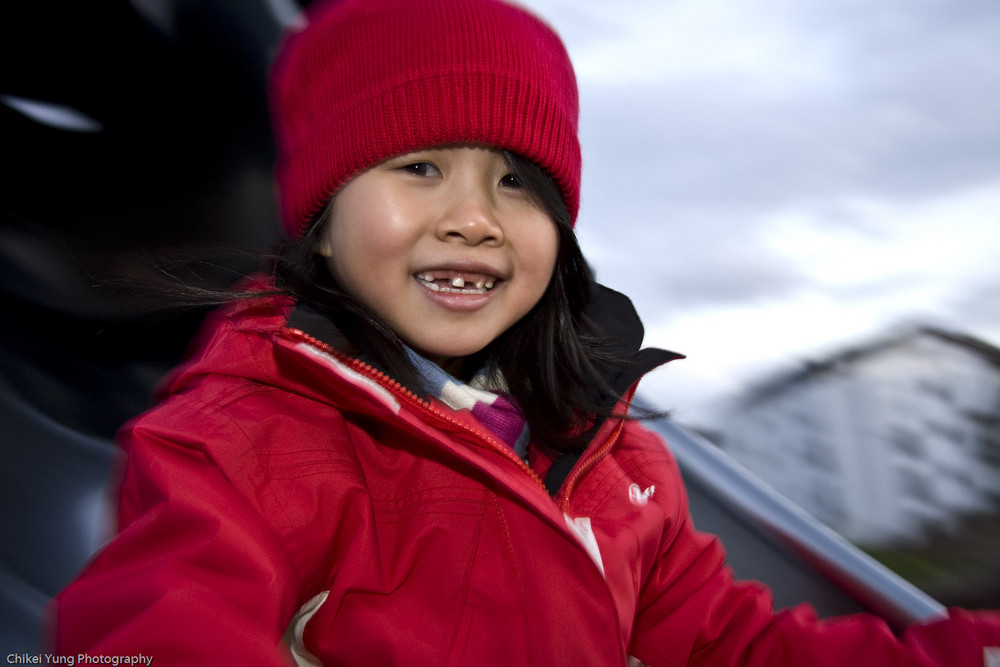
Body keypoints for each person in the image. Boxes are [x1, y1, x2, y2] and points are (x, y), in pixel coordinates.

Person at [50, 0, 1000, 664]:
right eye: (419, 167)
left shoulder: (619, 463)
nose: (475, 217)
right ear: (322, 220)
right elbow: (149, 629)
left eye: (519, 183)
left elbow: (729, 646)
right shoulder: (240, 442)